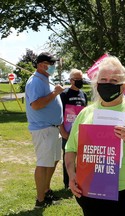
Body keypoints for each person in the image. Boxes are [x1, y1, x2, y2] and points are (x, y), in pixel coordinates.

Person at [65, 56, 125, 216]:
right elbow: (70, 149)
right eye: (103, 79)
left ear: (124, 86)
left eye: (114, 80)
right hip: (92, 191)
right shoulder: (86, 113)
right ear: (97, 84)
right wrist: (71, 175)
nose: (107, 83)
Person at [25, 52, 64, 208]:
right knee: (43, 163)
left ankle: (46, 191)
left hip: (53, 128)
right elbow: (35, 104)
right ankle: (40, 201)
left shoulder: (45, 80)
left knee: (53, 161)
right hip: (43, 129)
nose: (53, 66)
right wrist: (55, 93)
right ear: (41, 65)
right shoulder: (35, 82)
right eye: (51, 63)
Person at [59, 68, 88, 189]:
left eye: (81, 79)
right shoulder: (64, 94)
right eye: (77, 79)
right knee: (68, 157)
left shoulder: (84, 95)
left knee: (82, 158)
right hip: (67, 132)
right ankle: (68, 183)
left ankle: (80, 180)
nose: (80, 81)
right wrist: (63, 132)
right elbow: (59, 114)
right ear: (71, 80)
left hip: (80, 132)